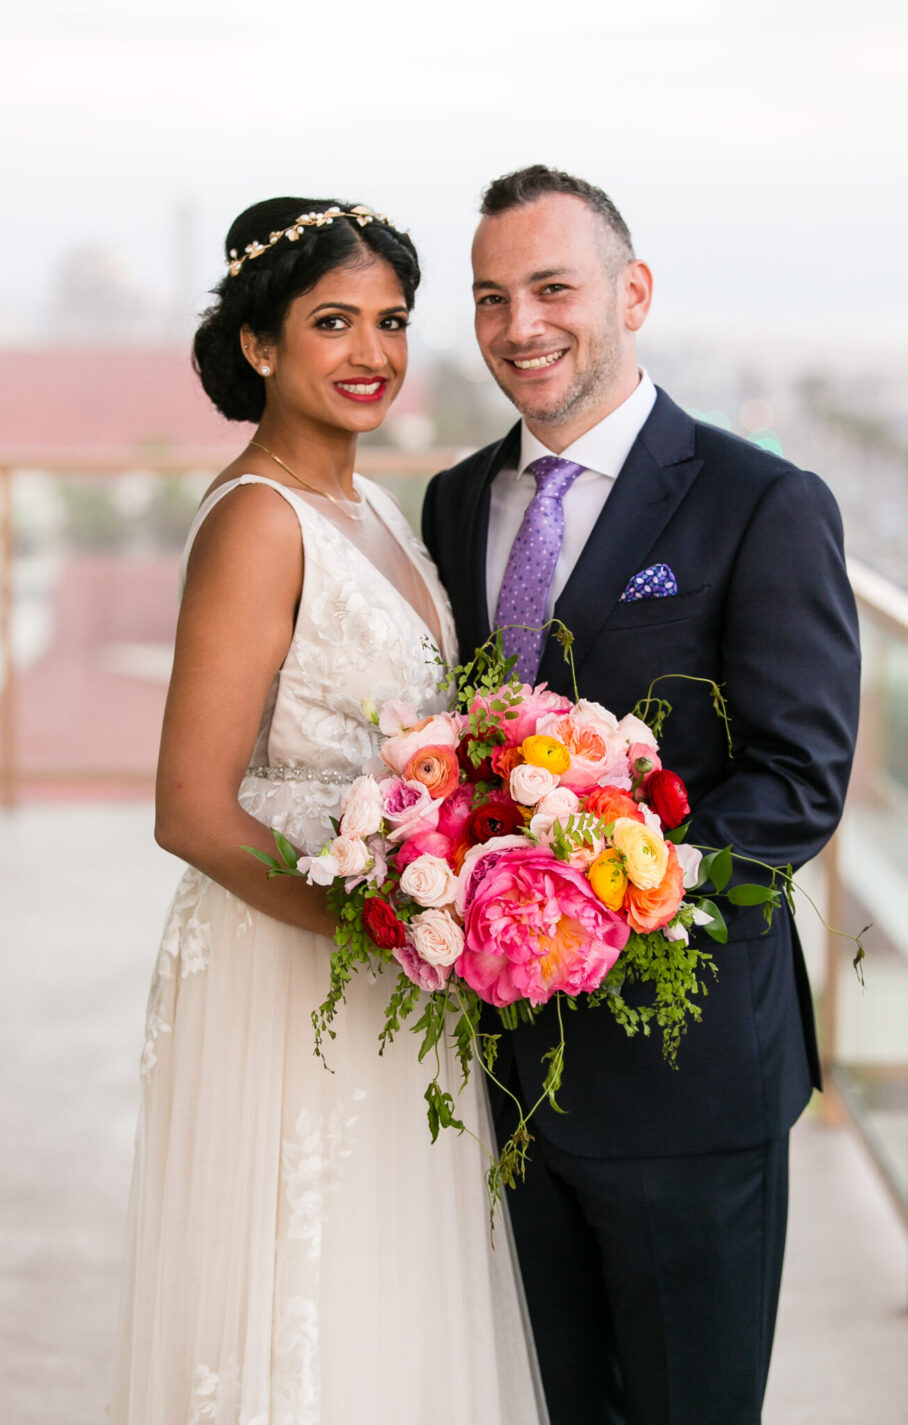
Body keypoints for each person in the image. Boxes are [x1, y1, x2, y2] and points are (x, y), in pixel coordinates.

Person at [422, 165, 861, 1425]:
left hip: (688, 1075)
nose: (520, 327)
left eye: (552, 288)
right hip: (502, 1066)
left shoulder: (760, 503)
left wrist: (595, 906)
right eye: (490, 297)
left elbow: (795, 783)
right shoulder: (457, 501)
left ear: (631, 292)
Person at [109, 196, 546, 1425]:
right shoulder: (260, 519)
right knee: (303, 1298)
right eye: (333, 322)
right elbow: (191, 808)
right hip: (294, 964)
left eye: (393, 321)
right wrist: (384, 924)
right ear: (259, 344)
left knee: (389, 1301)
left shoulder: (376, 512)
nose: (372, 354)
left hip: (395, 961)